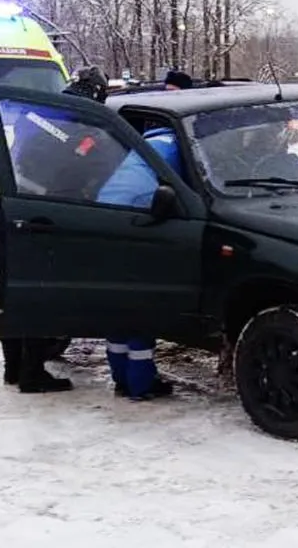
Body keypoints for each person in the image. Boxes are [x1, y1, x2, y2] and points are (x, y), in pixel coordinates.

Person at [0, 68, 116, 393]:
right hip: (47, 213)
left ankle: (13, 368)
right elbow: (103, 169)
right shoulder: (86, 125)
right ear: (97, 94)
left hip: (11, 206)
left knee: (11, 287)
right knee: (42, 294)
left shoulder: (35, 110)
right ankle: (32, 373)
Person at [94, 126, 186, 401]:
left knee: (119, 309)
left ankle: (121, 379)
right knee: (142, 310)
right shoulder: (179, 147)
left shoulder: (144, 144)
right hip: (140, 221)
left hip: (104, 217)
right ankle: (141, 384)